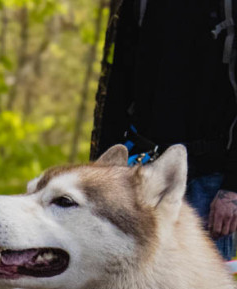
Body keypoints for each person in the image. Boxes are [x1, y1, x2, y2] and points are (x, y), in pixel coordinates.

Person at [91, 0, 237, 258]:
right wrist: (100, 175)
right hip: (143, 176)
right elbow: (118, 91)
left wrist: (233, 188)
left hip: (212, 184)